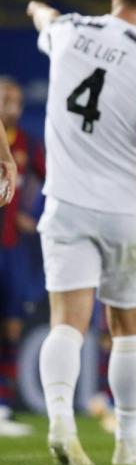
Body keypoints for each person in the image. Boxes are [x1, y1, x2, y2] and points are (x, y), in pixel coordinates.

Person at [27, 0, 136, 465]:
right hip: (126, 210)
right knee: (129, 328)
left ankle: (61, 424)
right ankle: (126, 444)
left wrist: (35, 10)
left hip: (66, 203)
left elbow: (45, 18)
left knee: (67, 323)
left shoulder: (69, 31)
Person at [0, 77, 44, 437]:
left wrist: (34, 213)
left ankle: (3, 405)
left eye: (15, 101)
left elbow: (51, 180)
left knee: (12, 326)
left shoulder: (28, 144)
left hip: (12, 247)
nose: (10, 107)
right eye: (4, 100)